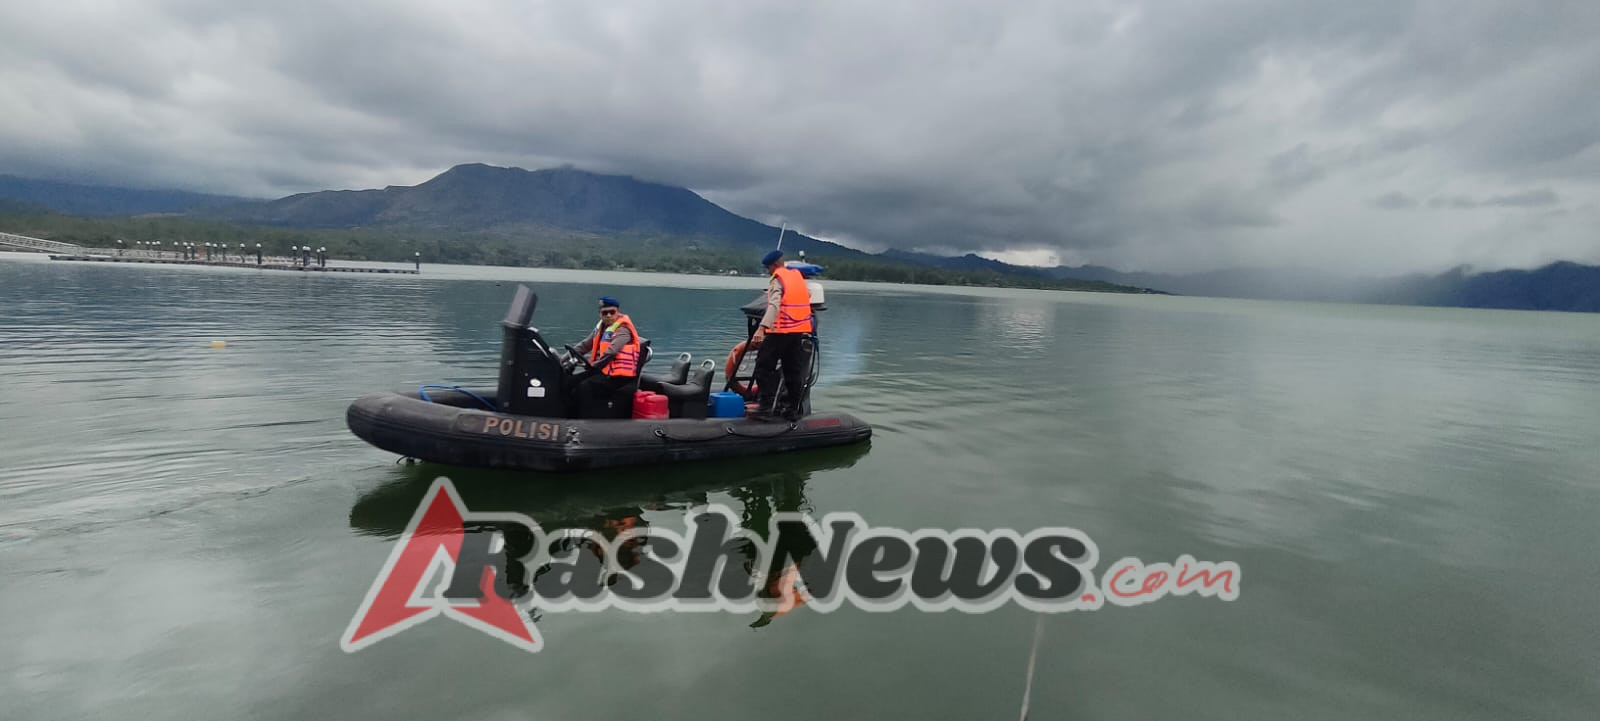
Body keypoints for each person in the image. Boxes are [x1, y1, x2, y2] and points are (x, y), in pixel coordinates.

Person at [751, 250, 813, 420]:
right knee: (793, 370)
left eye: (768, 268)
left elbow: (774, 306)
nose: (768, 271)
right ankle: (793, 409)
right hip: (798, 331)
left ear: (775, 265)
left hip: (780, 331)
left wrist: (761, 328)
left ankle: (766, 407)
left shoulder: (777, 279)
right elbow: (807, 296)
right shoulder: (797, 277)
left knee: (763, 367)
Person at [568, 296, 643, 417]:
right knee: (570, 381)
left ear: (617, 312)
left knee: (584, 387)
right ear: (600, 314)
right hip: (604, 371)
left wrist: (594, 366)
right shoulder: (600, 327)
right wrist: (562, 359)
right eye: (605, 313)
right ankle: (568, 414)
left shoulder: (623, 329)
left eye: (612, 312)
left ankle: (585, 419)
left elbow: (611, 352)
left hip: (619, 377)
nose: (608, 315)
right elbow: (584, 345)